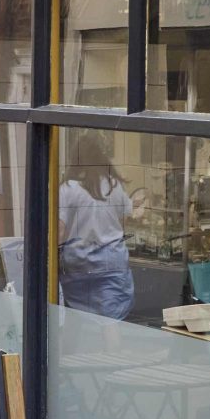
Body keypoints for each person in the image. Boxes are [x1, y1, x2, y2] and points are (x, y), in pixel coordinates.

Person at [57, 134, 140, 320]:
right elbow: (124, 221)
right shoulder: (114, 185)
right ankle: (111, 349)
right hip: (112, 261)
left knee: (76, 318)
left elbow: (59, 231)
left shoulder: (68, 188)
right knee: (110, 323)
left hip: (77, 262)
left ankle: (77, 349)